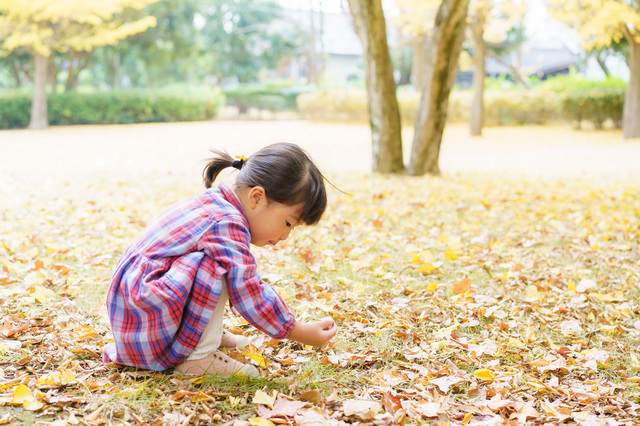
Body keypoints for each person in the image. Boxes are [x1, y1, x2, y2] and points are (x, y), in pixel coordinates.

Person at [103, 143, 337, 377]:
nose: (285, 236)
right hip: (144, 319)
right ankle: (197, 355)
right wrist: (298, 331)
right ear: (257, 197)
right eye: (288, 223)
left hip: (136, 313)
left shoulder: (217, 203)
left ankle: (201, 334)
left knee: (221, 263)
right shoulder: (226, 224)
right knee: (219, 266)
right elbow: (249, 292)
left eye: (293, 229)